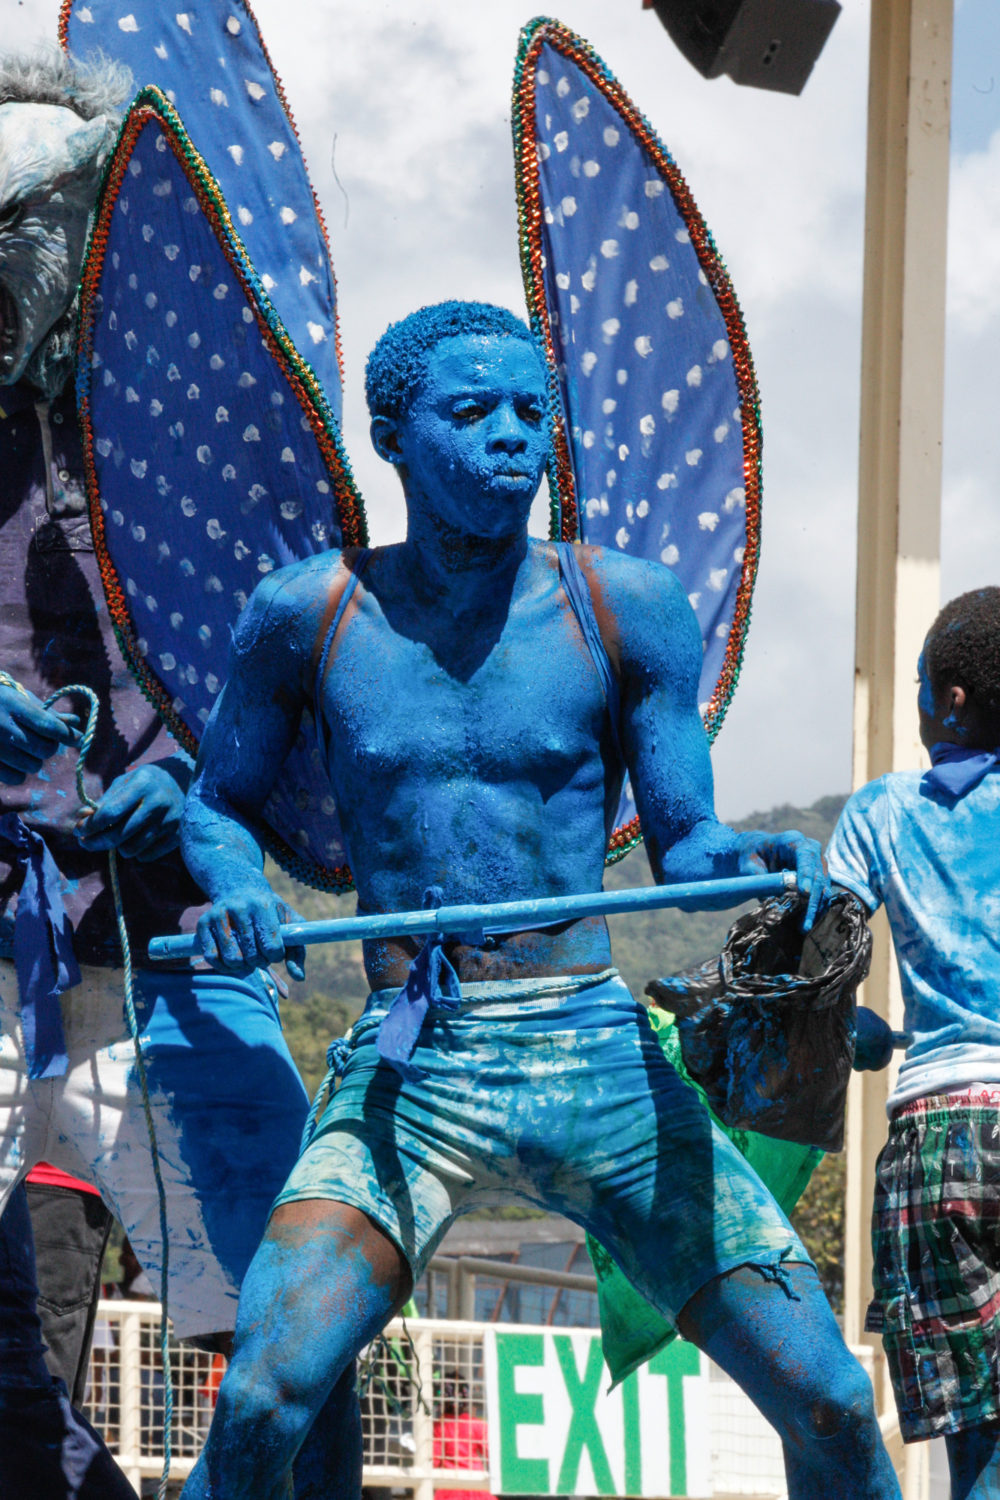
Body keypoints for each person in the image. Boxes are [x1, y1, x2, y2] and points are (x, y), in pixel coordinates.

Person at [178, 299, 900, 1500]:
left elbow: (688, 843)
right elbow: (217, 804)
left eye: (532, 412)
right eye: (472, 412)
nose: (513, 436)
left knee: (829, 1399)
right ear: (394, 436)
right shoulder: (307, 612)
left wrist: (754, 860)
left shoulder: (624, 604)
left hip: (594, 1052)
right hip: (413, 1064)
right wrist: (233, 889)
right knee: (261, 1396)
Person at [0, 45, 330, 1495]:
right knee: (21, 1337)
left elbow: (294, 707)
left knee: (291, 1326)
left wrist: (201, 791)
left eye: (62, 222)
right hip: (14, 947)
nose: (40, 260)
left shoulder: (210, 443)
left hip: (181, 951)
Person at [826, 587, 1000, 1500]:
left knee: (973, 1447)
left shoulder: (881, 812)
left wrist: (854, 1031)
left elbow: (820, 976)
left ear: (953, 702)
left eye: (927, 686)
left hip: (941, 1134)